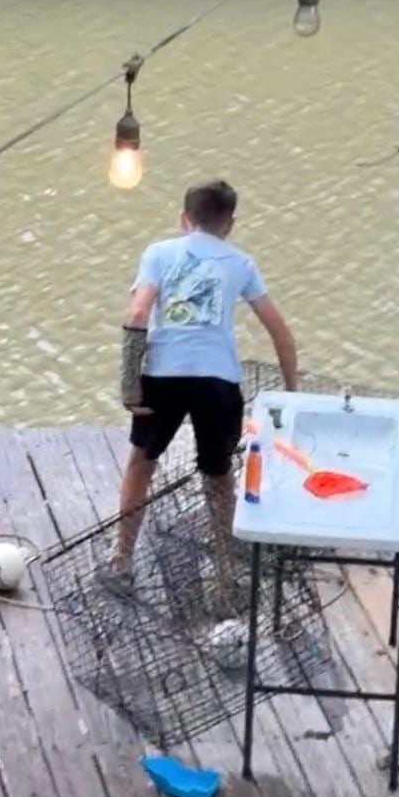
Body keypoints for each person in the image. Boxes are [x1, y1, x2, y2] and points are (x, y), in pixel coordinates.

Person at [105, 178, 297, 598]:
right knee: (218, 474)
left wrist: (129, 383)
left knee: (141, 463)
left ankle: (122, 560)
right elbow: (280, 332)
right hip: (218, 381)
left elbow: (137, 314)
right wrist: (291, 390)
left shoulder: (158, 253)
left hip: (163, 376)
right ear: (230, 224)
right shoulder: (242, 264)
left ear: (183, 218)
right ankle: (225, 575)